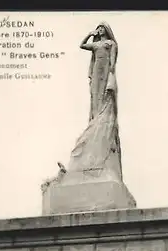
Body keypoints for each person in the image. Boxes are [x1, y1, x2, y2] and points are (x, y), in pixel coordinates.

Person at [66, 23, 122, 181]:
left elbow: (112, 64)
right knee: (95, 99)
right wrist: (90, 33)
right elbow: (82, 45)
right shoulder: (96, 44)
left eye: (102, 28)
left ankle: (100, 120)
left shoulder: (111, 44)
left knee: (104, 98)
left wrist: (111, 78)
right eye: (99, 28)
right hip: (96, 73)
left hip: (105, 73)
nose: (101, 30)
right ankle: (96, 119)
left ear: (107, 30)